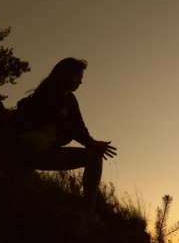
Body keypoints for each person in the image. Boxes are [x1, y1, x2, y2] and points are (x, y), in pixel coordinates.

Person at [12, 57, 117, 208]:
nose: (81, 82)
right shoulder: (45, 93)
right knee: (33, 143)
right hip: (31, 148)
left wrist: (91, 143)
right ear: (66, 74)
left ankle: (88, 210)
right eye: (78, 77)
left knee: (94, 157)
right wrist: (89, 142)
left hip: (49, 152)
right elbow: (63, 122)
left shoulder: (70, 99)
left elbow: (79, 126)